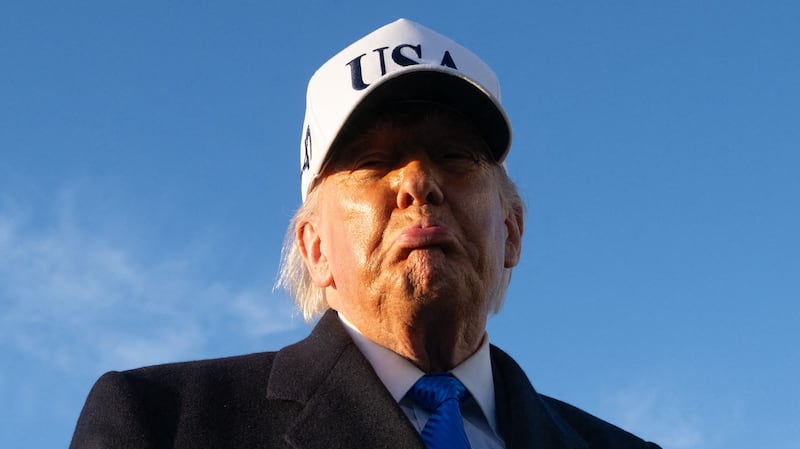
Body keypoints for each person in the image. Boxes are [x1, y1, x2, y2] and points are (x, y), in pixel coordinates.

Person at [70, 19, 661, 449]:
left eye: (454, 156)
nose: (419, 182)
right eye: (374, 162)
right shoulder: (161, 426)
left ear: (512, 228)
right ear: (314, 248)